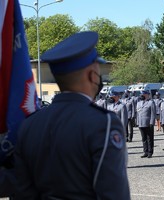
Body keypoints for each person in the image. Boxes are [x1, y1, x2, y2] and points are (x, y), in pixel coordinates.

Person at [14, 31, 130, 199]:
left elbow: (21, 192)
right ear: (92, 75)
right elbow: (113, 194)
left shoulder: (29, 125)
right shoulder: (102, 124)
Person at [136, 90, 156, 158]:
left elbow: (153, 114)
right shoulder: (138, 103)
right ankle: (145, 151)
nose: (142, 95)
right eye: (141, 94)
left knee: (149, 138)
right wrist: (137, 122)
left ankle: (150, 152)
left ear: (147, 95)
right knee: (144, 138)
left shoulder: (151, 103)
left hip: (148, 123)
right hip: (141, 123)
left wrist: (151, 123)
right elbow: (138, 114)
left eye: (143, 94)